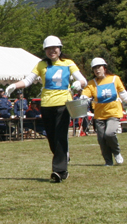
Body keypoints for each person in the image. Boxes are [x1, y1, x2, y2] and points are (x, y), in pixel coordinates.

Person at [5, 35, 87, 183]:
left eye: (54, 48)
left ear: (60, 49)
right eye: (48, 49)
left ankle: (58, 170)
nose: (51, 51)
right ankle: (63, 158)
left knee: (60, 136)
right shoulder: (41, 65)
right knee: (51, 137)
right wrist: (14, 85)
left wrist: (78, 84)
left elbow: (83, 80)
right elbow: (28, 80)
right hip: (47, 104)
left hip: (64, 103)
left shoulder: (69, 63)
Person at [81, 58, 127, 166]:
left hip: (114, 112)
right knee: (101, 139)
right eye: (94, 68)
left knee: (109, 133)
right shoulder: (92, 83)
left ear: (104, 68)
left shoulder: (115, 79)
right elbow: (85, 94)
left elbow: (123, 93)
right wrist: (83, 97)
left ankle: (117, 153)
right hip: (99, 115)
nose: (97, 70)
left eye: (99, 67)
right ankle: (108, 161)